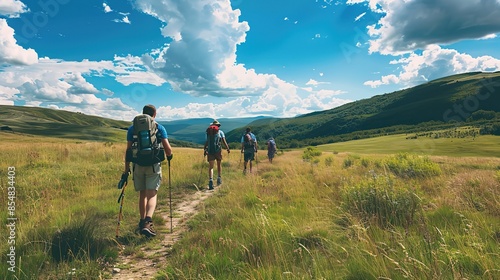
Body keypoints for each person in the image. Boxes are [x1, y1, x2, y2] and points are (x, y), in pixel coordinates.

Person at [124, 104, 173, 237]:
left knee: (142, 194)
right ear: (154, 114)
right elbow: (168, 149)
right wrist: (170, 156)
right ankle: (148, 222)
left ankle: (141, 222)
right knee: (152, 194)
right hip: (153, 164)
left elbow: (128, 151)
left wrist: (126, 168)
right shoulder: (159, 127)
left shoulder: (132, 129)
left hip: (138, 165)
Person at [203, 120, 230, 190]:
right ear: (218, 126)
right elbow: (224, 141)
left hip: (210, 150)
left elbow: (206, 142)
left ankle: (211, 180)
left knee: (211, 167)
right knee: (219, 164)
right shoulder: (220, 132)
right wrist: (227, 148)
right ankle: (219, 178)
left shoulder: (208, 132)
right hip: (218, 151)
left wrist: (205, 149)